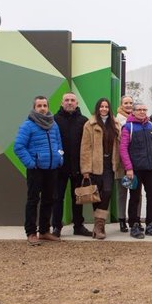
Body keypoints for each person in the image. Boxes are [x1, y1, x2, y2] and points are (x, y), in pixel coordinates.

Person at [14, 96, 64, 246]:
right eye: (39, 105)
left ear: (48, 107)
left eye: (44, 105)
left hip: (52, 168)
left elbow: (59, 144)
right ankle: (31, 232)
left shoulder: (53, 125)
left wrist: (59, 158)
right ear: (34, 108)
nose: (42, 108)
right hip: (36, 169)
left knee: (49, 200)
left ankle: (44, 231)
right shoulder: (28, 125)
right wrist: (31, 162)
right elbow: (18, 147)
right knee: (33, 200)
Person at [120, 102, 152, 239]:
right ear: (133, 112)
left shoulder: (151, 125)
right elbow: (123, 149)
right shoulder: (128, 127)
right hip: (135, 170)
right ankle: (134, 225)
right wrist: (129, 168)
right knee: (134, 198)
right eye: (139, 109)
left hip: (151, 169)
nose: (142, 112)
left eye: (144, 109)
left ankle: (151, 225)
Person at [80, 98, 121, 240]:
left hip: (110, 163)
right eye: (101, 106)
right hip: (95, 164)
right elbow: (85, 148)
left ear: (109, 109)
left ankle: (98, 225)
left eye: (106, 107)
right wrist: (85, 169)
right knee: (96, 194)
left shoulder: (115, 124)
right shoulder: (89, 124)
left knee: (108, 191)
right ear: (97, 108)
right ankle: (99, 226)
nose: (104, 109)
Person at [52, 92, 91, 237]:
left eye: (72, 100)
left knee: (78, 198)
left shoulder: (84, 121)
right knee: (57, 198)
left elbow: (88, 146)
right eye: (67, 100)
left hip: (78, 167)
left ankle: (78, 226)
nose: (69, 102)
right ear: (62, 103)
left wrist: (86, 167)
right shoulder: (54, 120)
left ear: (77, 103)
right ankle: (56, 227)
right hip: (59, 168)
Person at [115, 95, 134, 233]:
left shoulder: (136, 119)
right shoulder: (116, 121)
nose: (128, 105)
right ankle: (122, 220)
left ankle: (134, 219)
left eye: (130, 103)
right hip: (122, 163)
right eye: (126, 103)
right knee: (122, 192)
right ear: (121, 104)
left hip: (135, 162)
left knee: (135, 192)